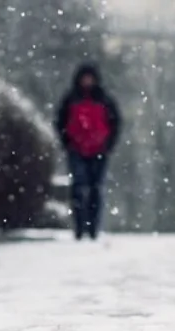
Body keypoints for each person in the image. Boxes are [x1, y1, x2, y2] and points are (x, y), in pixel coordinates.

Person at [55, 63, 120, 240]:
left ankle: (92, 228)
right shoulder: (71, 99)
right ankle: (79, 227)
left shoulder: (104, 100)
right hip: (77, 149)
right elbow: (60, 122)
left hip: (99, 150)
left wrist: (108, 145)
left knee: (95, 189)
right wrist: (68, 143)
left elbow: (115, 124)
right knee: (79, 188)